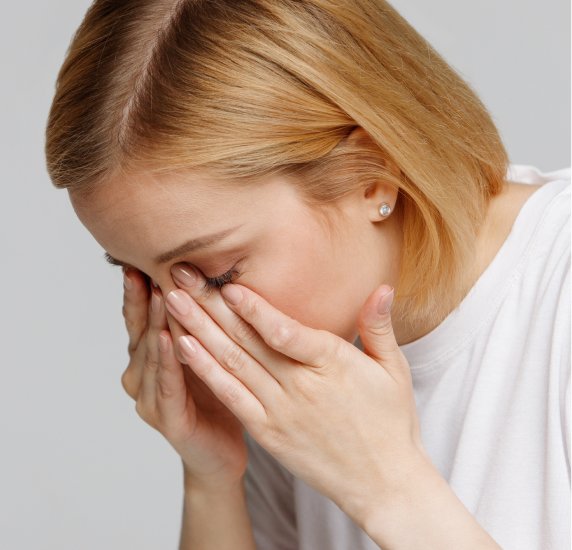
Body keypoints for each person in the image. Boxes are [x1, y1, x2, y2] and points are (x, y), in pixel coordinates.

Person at [44, 0, 570, 548]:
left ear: (374, 176)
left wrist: (389, 490)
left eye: (218, 275)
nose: (187, 324)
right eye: (147, 282)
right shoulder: (297, 375)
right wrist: (212, 477)